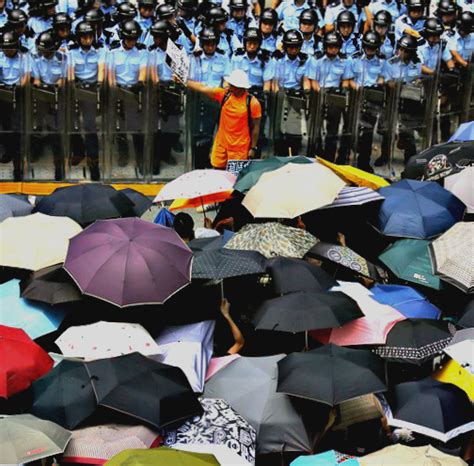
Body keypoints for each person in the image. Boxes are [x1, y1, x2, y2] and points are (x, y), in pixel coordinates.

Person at [185, 68, 262, 169]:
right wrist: (184, 81)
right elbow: (203, 88)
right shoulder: (224, 95)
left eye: (232, 85)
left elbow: (256, 127)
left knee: (234, 178)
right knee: (217, 172)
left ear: (240, 87)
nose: (229, 86)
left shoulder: (253, 103)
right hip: (221, 145)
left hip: (239, 149)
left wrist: (253, 148)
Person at [188, 27, 230, 168]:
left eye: (213, 44)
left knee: (216, 135)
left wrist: (222, 89)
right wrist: (206, 90)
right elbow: (191, 81)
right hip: (199, 101)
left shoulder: (223, 58)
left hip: (217, 101)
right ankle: (198, 167)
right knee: (200, 137)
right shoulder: (195, 58)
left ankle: (213, 163)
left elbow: (226, 80)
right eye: (207, 44)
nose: (210, 47)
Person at [67, 20, 104, 180]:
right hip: (76, 88)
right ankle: (78, 151)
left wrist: (99, 85)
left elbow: (102, 70)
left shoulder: (100, 51)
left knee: (90, 126)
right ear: (79, 38)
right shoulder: (72, 52)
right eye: (84, 37)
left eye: (90, 36)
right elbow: (69, 73)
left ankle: (93, 162)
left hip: (91, 90)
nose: (87, 40)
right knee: (71, 123)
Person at [108, 19, 147, 170]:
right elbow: (110, 75)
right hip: (118, 93)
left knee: (137, 129)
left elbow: (143, 74)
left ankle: (140, 158)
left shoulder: (142, 52)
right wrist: (114, 87)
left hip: (134, 93)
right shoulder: (113, 53)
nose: (132, 41)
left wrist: (138, 85)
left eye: (135, 39)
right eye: (129, 38)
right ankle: (123, 153)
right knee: (121, 128)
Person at [310, 30, 354, 163]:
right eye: (330, 46)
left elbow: (346, 79)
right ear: (325, 46)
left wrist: (343, 91)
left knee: (333, 130)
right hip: (319, 93)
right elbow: (313, 80)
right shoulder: (317, 59)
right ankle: (315, 155)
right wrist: (321, 94)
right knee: (316, 128)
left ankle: (329, 157)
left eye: (336, 46)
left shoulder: (345, 60)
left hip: (335, 95)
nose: (333, 49)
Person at [30, 30, 67, 180]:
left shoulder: (62, 58)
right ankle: (35, 151)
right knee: (38, 126)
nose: (44, 53)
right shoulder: (36, 58)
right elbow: (36, 78)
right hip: (41, 95)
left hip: (57, 95)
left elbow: (63, 78)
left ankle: (59, 165)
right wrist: (39, 84)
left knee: (56, 132)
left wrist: (57, 86)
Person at [351, 30, 388, 172]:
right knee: (352, 131)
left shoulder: (382, 61)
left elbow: (384, 77)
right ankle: (348, 158)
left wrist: (379, 83)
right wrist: (358, 87)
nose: (370, 51)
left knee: (367, 132)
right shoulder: (354, 59)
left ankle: (363, 162)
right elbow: (348, 79)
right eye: (367, 47)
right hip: (357, 97)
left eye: (373, 48)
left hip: (373, 99)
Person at [273, 28, 312, 155]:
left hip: (295, 96)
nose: (293, 50)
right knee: (279, 130)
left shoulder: (304, 61)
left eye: (296, 47)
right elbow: (275, 81)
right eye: (290, 47)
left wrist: (307, 91)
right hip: (280, 95)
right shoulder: (278, 60)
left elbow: (306, 80)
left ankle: (295, 156)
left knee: (294, 130)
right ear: (285, 47)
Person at [0, 30, 28, 181]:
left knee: (17, 129)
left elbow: (25, 77)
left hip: (18, 93)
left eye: (10, 47)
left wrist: (18, 86)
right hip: (3, 93)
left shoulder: (23, 58)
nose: (7, 50)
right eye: (5, 47)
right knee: (5, 126)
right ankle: (8, 151)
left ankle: (18, 166)